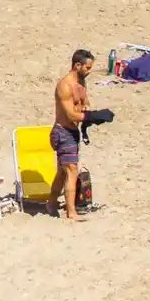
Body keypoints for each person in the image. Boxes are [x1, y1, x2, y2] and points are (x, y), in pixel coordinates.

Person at [47, 50, 93, 222]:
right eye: (87, 67)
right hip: (62, 131)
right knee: (72, 170)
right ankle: (71, 212)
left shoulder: (82, 82)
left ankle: (51, 203)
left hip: (73, 132)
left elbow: (84, 104)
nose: (89, 71)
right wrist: (91, 116)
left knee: (62, 172)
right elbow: (71, 115)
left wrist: (89, 112)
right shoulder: (64, 85)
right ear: (77, 65)